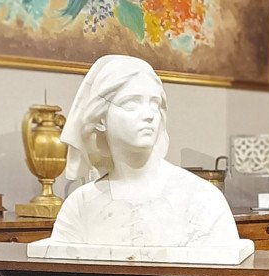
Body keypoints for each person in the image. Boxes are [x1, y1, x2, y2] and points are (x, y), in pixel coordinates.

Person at [49, 55, 244, 250]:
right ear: (100, 119)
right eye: (131, 103)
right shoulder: (81, 205)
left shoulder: (203, 199)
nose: (149, 115)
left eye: (155, 103)